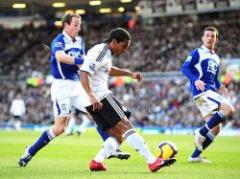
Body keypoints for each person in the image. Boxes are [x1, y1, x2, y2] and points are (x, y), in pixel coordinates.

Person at [18, 14, 129, 167]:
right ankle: (30, 151)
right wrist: (83, 61)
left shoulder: (80, 41)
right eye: (76, 24)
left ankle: (110, 147)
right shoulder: (59, 41)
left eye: (79, 24)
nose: (78, 27)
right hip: (61, 87)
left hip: (76, 86)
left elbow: (81, 66)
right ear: (66, 25)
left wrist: (91, 68)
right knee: (59, 128)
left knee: (96, 111)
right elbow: (60, 56)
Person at [80, 27, 176, 172]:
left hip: (93, 99)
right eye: (124, 46)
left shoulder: (105, 53)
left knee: (117, 135)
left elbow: (109, 70)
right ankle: (152, 161)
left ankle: (97, 162)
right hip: (100, 96)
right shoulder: (101, 52)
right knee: (126, 126)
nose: (125, 50)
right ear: (114, 41)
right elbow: (83, 72)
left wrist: (130, 74)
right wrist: (91, 94)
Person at [181, 26, 235, 163]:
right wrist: (195, 79)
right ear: (203, 38)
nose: (210, 38)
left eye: (213, 36)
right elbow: (184, 68)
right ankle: (201, 132)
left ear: (216, 39)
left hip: (209, 91)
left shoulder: (216, 58)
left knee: (216, 128)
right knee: (228, 109)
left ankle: (194, 156)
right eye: (207, 35)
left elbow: (214, 78)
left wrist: (220, 86)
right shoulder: (197, 52)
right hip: (202, 91)